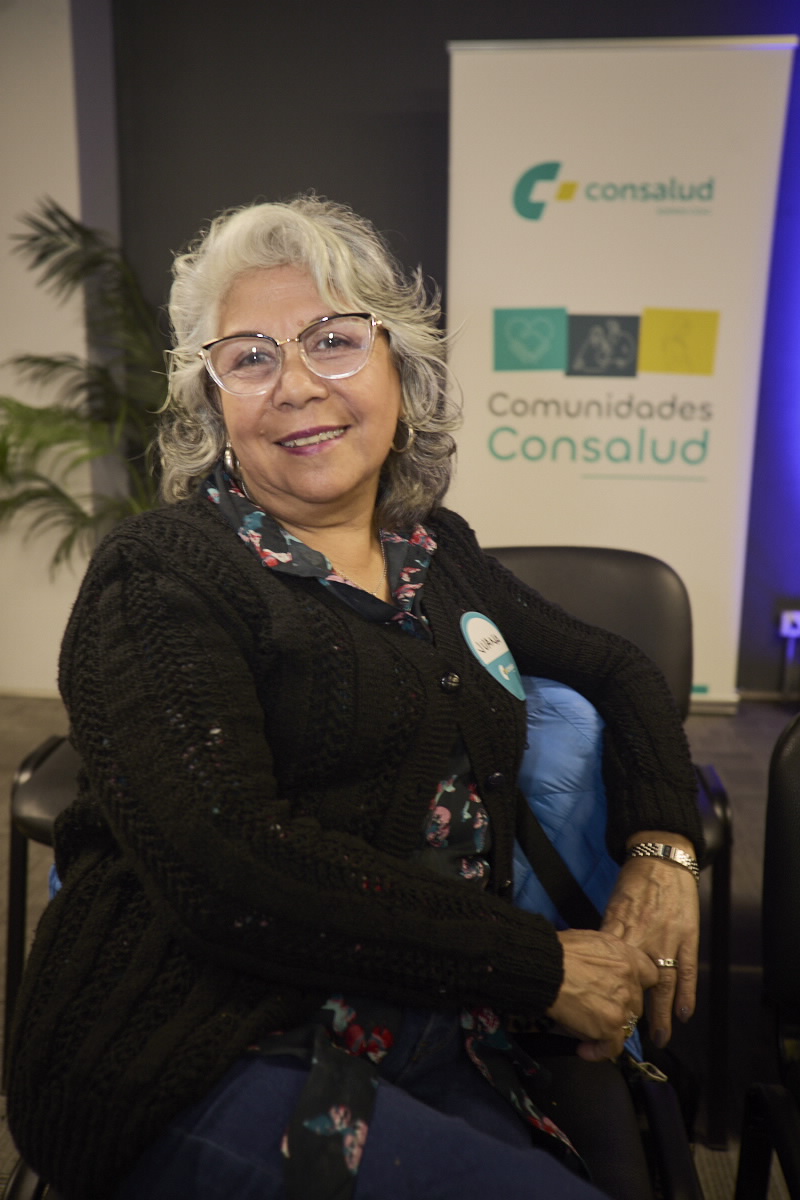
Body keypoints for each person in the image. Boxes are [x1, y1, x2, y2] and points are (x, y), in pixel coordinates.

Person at [6, 195, 702, 1200]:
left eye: (333, 340)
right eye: (249, 357)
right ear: (212, 404)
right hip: (194, 1050)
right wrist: (540, 969)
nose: (295, 384)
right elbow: (232, 867)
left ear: (400, 374)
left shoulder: (434, 553)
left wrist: (661, 849)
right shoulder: (157, 576)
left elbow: (620, 668)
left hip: (431, 1020)